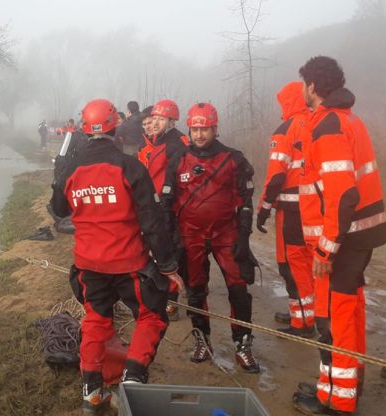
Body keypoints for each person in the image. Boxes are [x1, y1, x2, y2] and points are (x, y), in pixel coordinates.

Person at [51, 98, 184, 414]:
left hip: (88, 264)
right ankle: (134, 379)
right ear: (117, 129)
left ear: (85, 130)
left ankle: (92, 394)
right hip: (129, 264)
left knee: (96, 319)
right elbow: (152, 221)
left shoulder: (71, 168)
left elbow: (58, 210)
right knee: (152, 315)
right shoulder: (130, 166)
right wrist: (167, 266)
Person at [292, 56, 386, 416]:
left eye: (303, 84)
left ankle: (336, 400)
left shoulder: (329, 125)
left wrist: (325, 248)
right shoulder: (346, 119)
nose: (302, 90)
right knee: (351, 308)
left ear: (313, 86)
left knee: (334, 318)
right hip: (359, 236)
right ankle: (343, 382)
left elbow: (342, 193)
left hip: (342, 241)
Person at [162, 102, 260, 373]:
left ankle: (242, 343)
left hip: (226, 234)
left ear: (215, 129)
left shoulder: (234, 159)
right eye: (195, 129)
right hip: (190, 235)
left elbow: (246, 200)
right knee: (195, 289)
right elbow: (168, 203)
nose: (199, 134)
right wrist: (171, 239)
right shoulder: (178, 159)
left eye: (205, 129)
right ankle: (201, 339)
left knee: (239, 288)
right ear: (189, 130)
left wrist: (244, 235)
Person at [256, 81, 316, 338]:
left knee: (292, 265)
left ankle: (303, 322)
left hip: (292, 211)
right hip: (316, 209)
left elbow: (276, 176)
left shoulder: (285, 130)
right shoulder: (319, 123)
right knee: (312, 264)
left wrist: (263, 209)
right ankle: (306, 314)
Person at [137, 99, 189, 321]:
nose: (155, 123)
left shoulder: (176, 144)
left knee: (171, 252)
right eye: (153, 119)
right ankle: (170, 297)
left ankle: (172, 302)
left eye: (160, 119)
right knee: (163, 251)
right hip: (158, 205)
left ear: (171, 121)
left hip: (171, 207)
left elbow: (174, 180)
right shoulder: (159, 142)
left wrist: (166, 206)